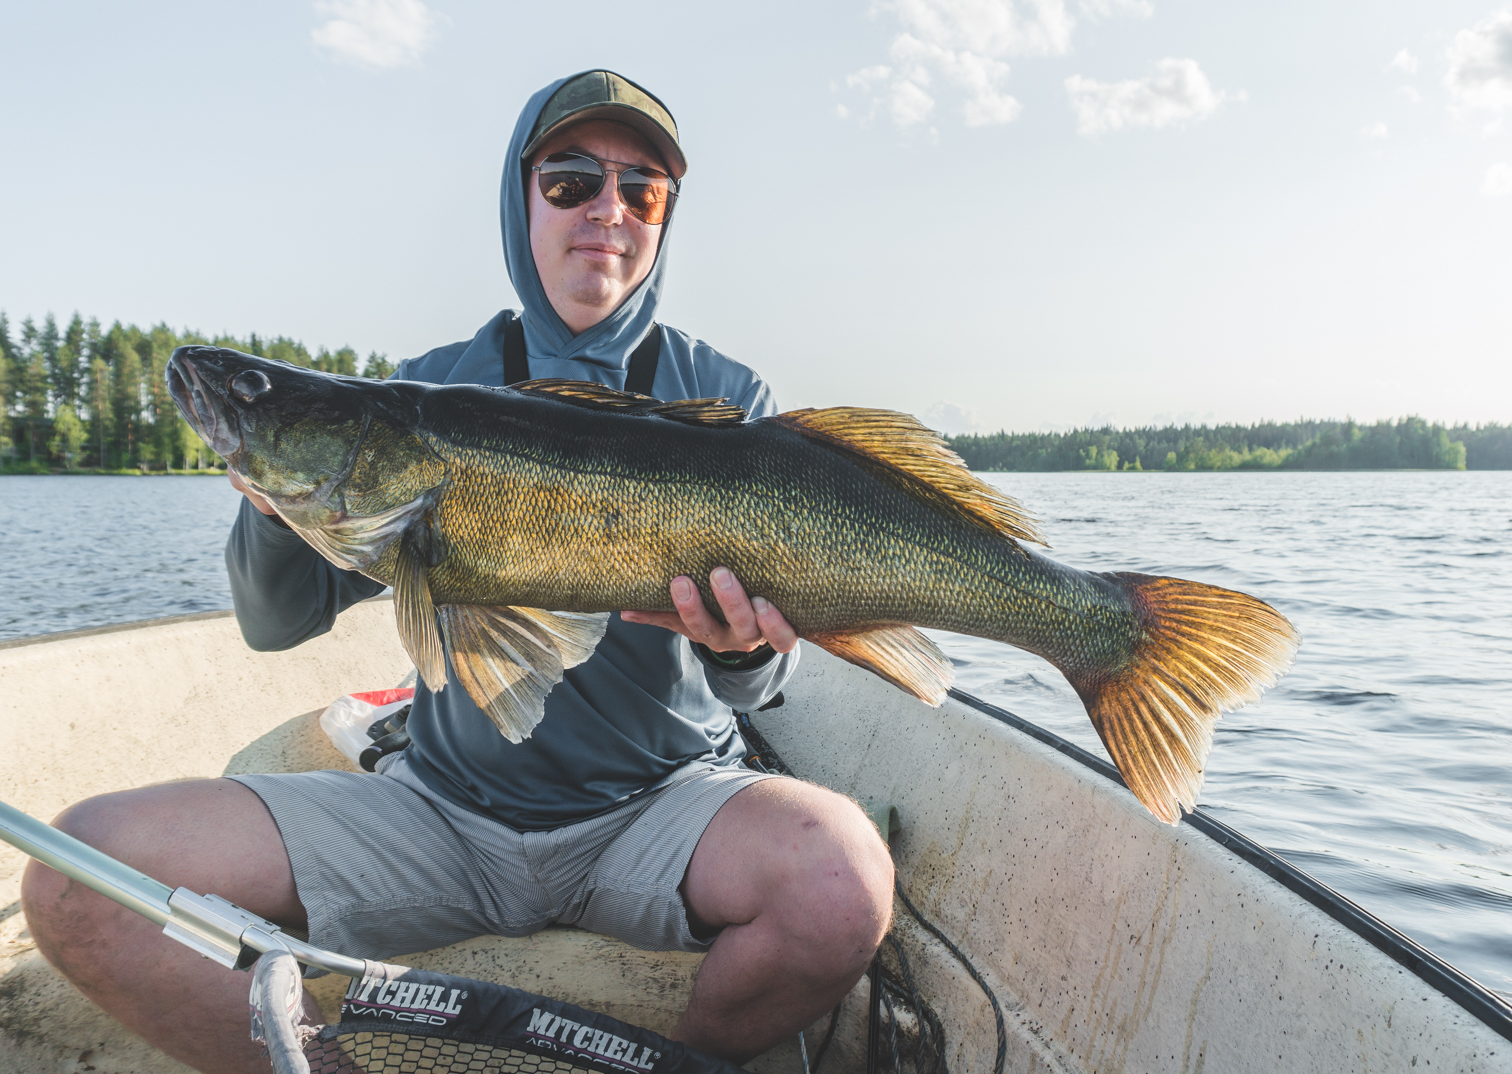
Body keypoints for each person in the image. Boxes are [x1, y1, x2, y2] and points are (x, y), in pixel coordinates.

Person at [21, 69, 893, 1073]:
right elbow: (274, 623)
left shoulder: (730, 398)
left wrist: (742, 655)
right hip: (436, 816)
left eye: (641, 191)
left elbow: (764, 677)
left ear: (663, 219)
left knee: (843, 887)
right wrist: (271, 488)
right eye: (570, 180)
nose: (607, 210)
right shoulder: (425, 392)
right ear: (519, 200)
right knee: (80, 874)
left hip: (665, 807)